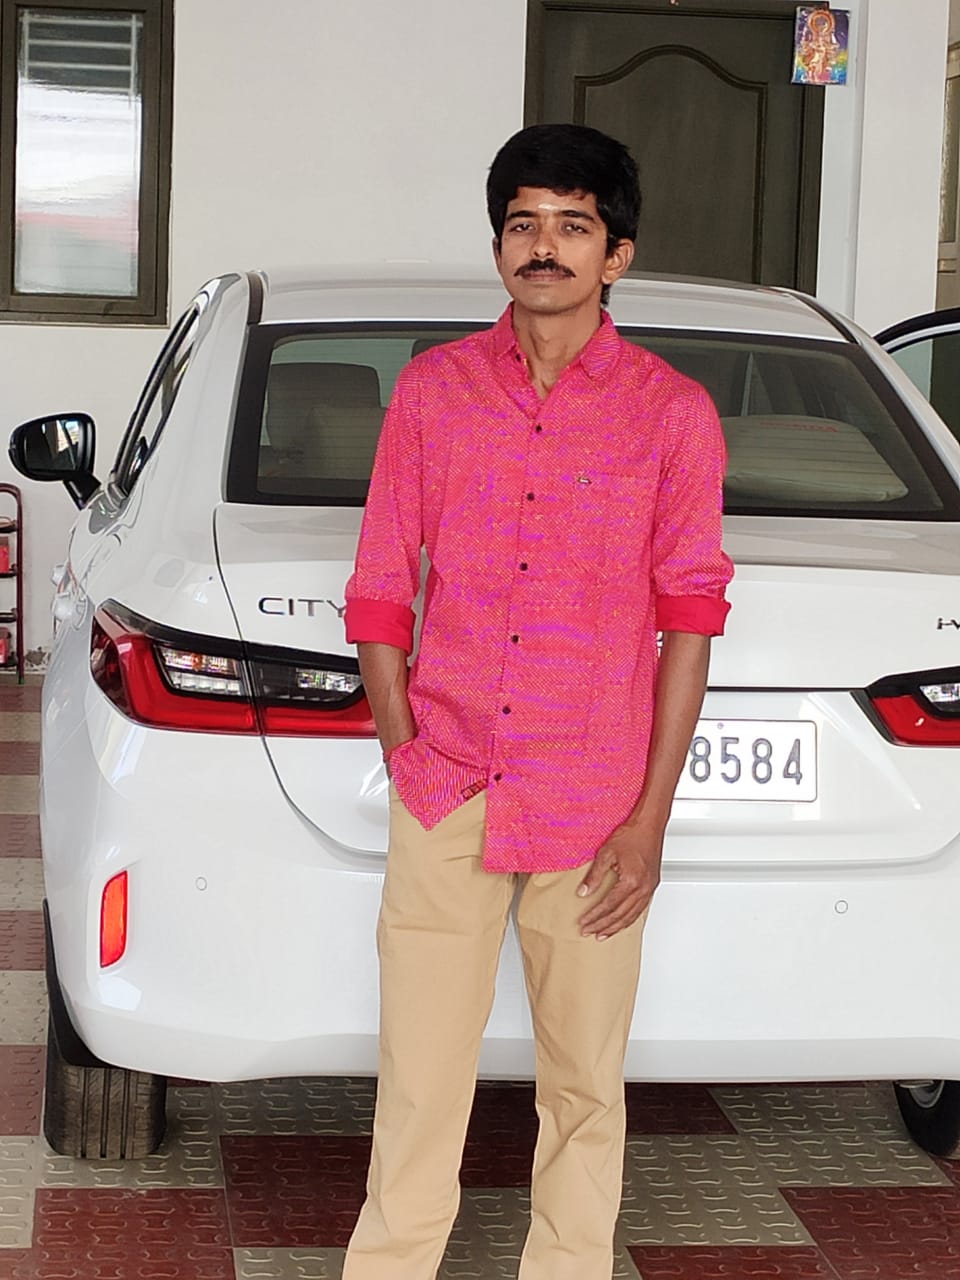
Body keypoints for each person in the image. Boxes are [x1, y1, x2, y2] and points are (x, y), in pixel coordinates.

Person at [341, 122, 733, 1280]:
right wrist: (406, 749)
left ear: (618, 254)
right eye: (524, 224)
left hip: (596, 801)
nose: (544, 247)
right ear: (499, 244)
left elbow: (691, 619)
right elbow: (379, 584)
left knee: (585, 1087)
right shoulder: (435, 391)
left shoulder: (672, 413)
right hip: (449, 781)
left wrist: (649, 819)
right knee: (418, 1078)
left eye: (573, 225)